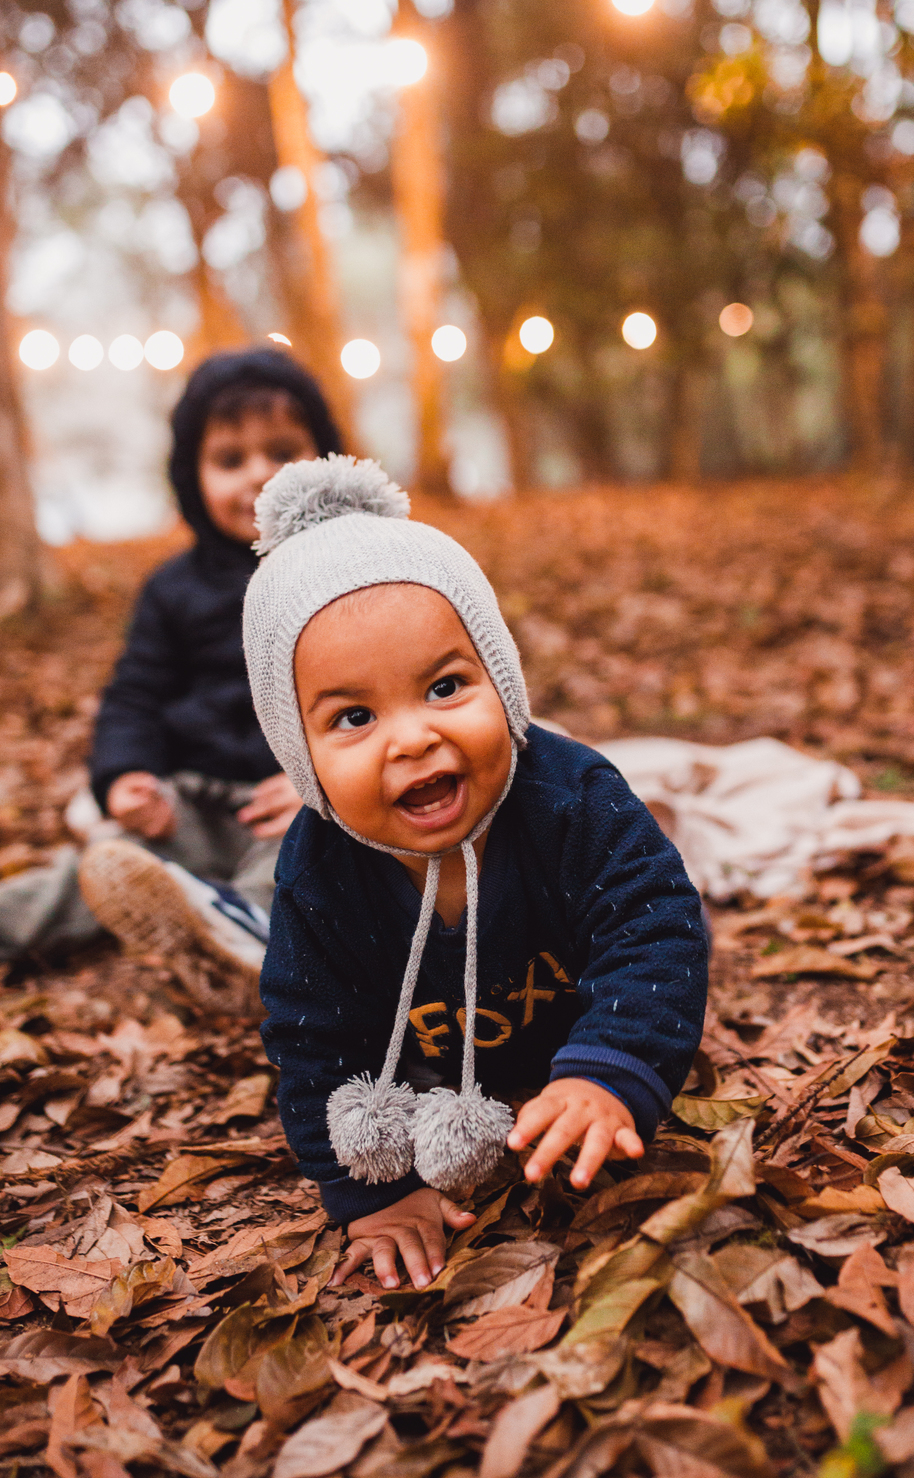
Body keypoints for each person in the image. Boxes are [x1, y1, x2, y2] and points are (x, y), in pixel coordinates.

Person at [243, 455, 707, 1292]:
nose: (412, 738)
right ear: (298, 755)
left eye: (446, 686)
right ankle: (233, 930)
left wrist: (611, 1069)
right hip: (425, 1064)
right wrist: (367, 1194)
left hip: (570, 1031)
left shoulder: (570, 800)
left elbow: (655, 930)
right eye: (354, 716)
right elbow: (312, 1040)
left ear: (503, 681)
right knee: (297, 985)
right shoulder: (319, 875)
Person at [0, 346, 342, 1001]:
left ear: (324, 459)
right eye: (230, 460)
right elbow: (135, 695)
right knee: (101, 863)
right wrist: (125, 778)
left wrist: (324, 781)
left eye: (283, 451)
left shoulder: (349, 573)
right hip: (190, 801)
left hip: (299, 803)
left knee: (304, 860)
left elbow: (375, 697)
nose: (259, 476)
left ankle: (244, 927)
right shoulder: (172, 589)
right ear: (191, 476)